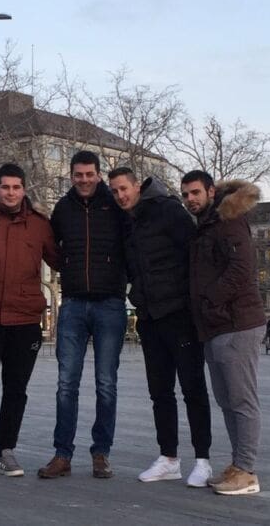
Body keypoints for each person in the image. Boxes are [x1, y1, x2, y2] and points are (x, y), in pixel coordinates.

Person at [107, 167, 212, 487]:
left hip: (179, 313)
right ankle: (168, 458)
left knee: (193, 388)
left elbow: (194, 255)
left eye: (124, 188)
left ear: (137, 186)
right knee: (160, 391)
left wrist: (192, 302)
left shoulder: (168, 210)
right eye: (114, 191)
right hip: (149, 317)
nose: (120, 195)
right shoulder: (126, 221)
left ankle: (203, 460)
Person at [0, 163, 59, 481]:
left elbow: (60, 259)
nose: (11, 193)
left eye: (16, 187)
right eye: (5, 187)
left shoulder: (39, 225)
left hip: (24, 319)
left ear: (24, 189)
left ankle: (6, 451)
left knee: (16, 389)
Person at [38, 151, 128, 480]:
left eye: (90, 174)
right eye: (79, 174)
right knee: (66, 383)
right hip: (74, 302)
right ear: (71, 175)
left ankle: (101, 453)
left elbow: (132, 242)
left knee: (106, 383)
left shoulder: (115, 205)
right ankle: (62, 454)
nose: (85, 180)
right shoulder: (63, 208)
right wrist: (68, 267)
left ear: (99, 174)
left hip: (110, 302)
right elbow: (51, 247)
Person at [180, 170, 266, 497]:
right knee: (227, 400)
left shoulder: (229, 220)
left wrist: (209, 299)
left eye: (195, 193)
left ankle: (247, 470)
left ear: (211, 192)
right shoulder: (206, 225)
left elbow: (241, 269)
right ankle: (238, 465)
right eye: (185, 194)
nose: (190, 199)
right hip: (216, 325)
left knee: (242, 399)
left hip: (236, 323)